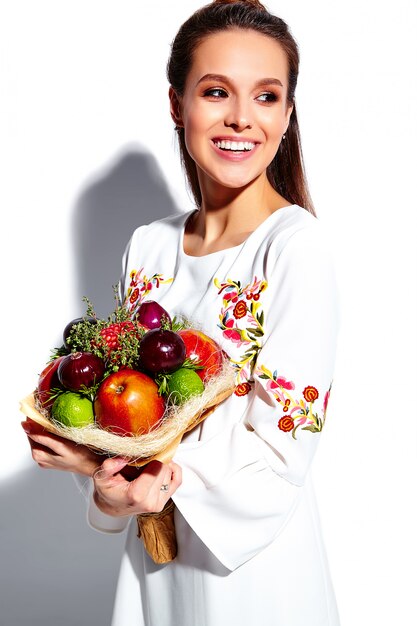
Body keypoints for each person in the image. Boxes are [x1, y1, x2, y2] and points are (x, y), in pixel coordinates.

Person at [22, 1, 340, 624]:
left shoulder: (295, 246)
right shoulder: (148, 245)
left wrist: (112, 463)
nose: (241, 119)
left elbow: (284, 448)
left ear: (288, 112)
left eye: (267, 96)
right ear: (177, 104)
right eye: (217, 91)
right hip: (155, 557)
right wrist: (109, 491)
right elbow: (122, 411)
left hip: (252, 572)